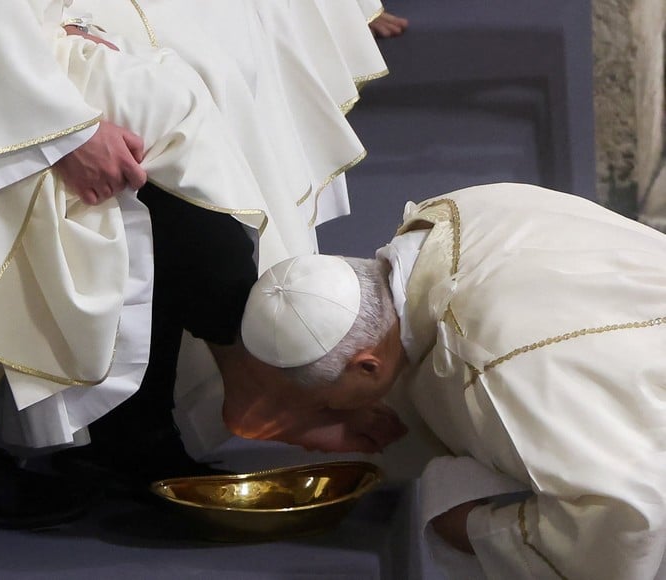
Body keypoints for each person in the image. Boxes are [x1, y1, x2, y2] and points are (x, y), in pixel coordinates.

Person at [0, 0, 390, 533]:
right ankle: (235, 381)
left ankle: (205, 389)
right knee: (160, 133)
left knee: (182, 83)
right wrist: (61, 130)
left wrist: (55, 26)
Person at [231, 183, 666, 579]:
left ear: (367, 367)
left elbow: (625, 518)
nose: (329, 416)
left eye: (327, 403)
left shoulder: (490, 368)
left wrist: (475, 529)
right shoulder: (453, 217)